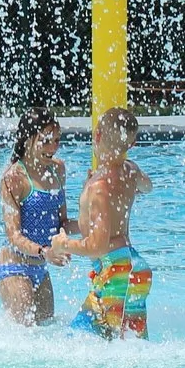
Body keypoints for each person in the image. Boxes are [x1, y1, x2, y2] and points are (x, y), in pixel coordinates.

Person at [69, 107, 155, 338]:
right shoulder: (130, 171)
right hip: (137, 269)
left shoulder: (98, 186)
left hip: (114, 270)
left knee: (76, 339)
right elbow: (148, 186)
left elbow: (97, 245)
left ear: (96, 135)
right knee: (132, 347)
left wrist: (62, 245)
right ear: (133, 143)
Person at [0, 110, 73, 325]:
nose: (53, 147)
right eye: (46, 141)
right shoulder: (13, 177)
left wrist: (93, 223)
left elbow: (62, 223)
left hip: (40, 266)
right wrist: (44, 251)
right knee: (25, 335)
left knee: (48, 330)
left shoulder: (58, 169)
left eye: (57, 140)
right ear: (28, 139)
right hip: (13, 267)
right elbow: (13, 235)